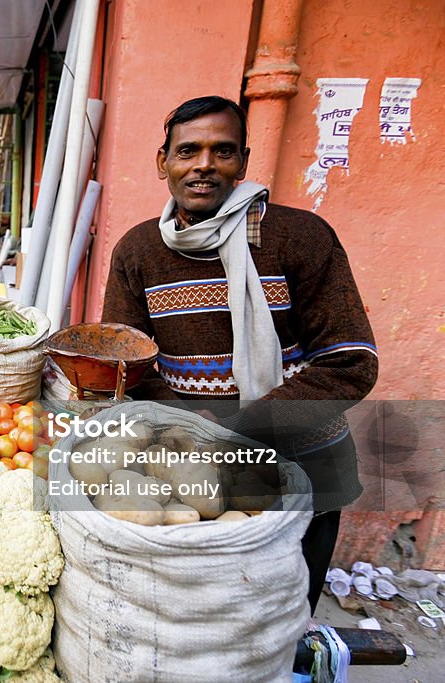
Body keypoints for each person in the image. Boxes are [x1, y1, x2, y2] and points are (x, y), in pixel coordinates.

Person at [101, 95, 378, 614]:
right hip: (192, 471)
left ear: (244, 161)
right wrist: (191, 430)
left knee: (283, 618)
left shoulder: (299, 238)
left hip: (305, 469)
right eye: (188, 151)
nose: (204, 164)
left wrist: (233, 432)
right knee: (207, 621)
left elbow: (350, 363)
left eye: (222, 151)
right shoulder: (138, 252)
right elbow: (128, 364)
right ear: (163, 163)